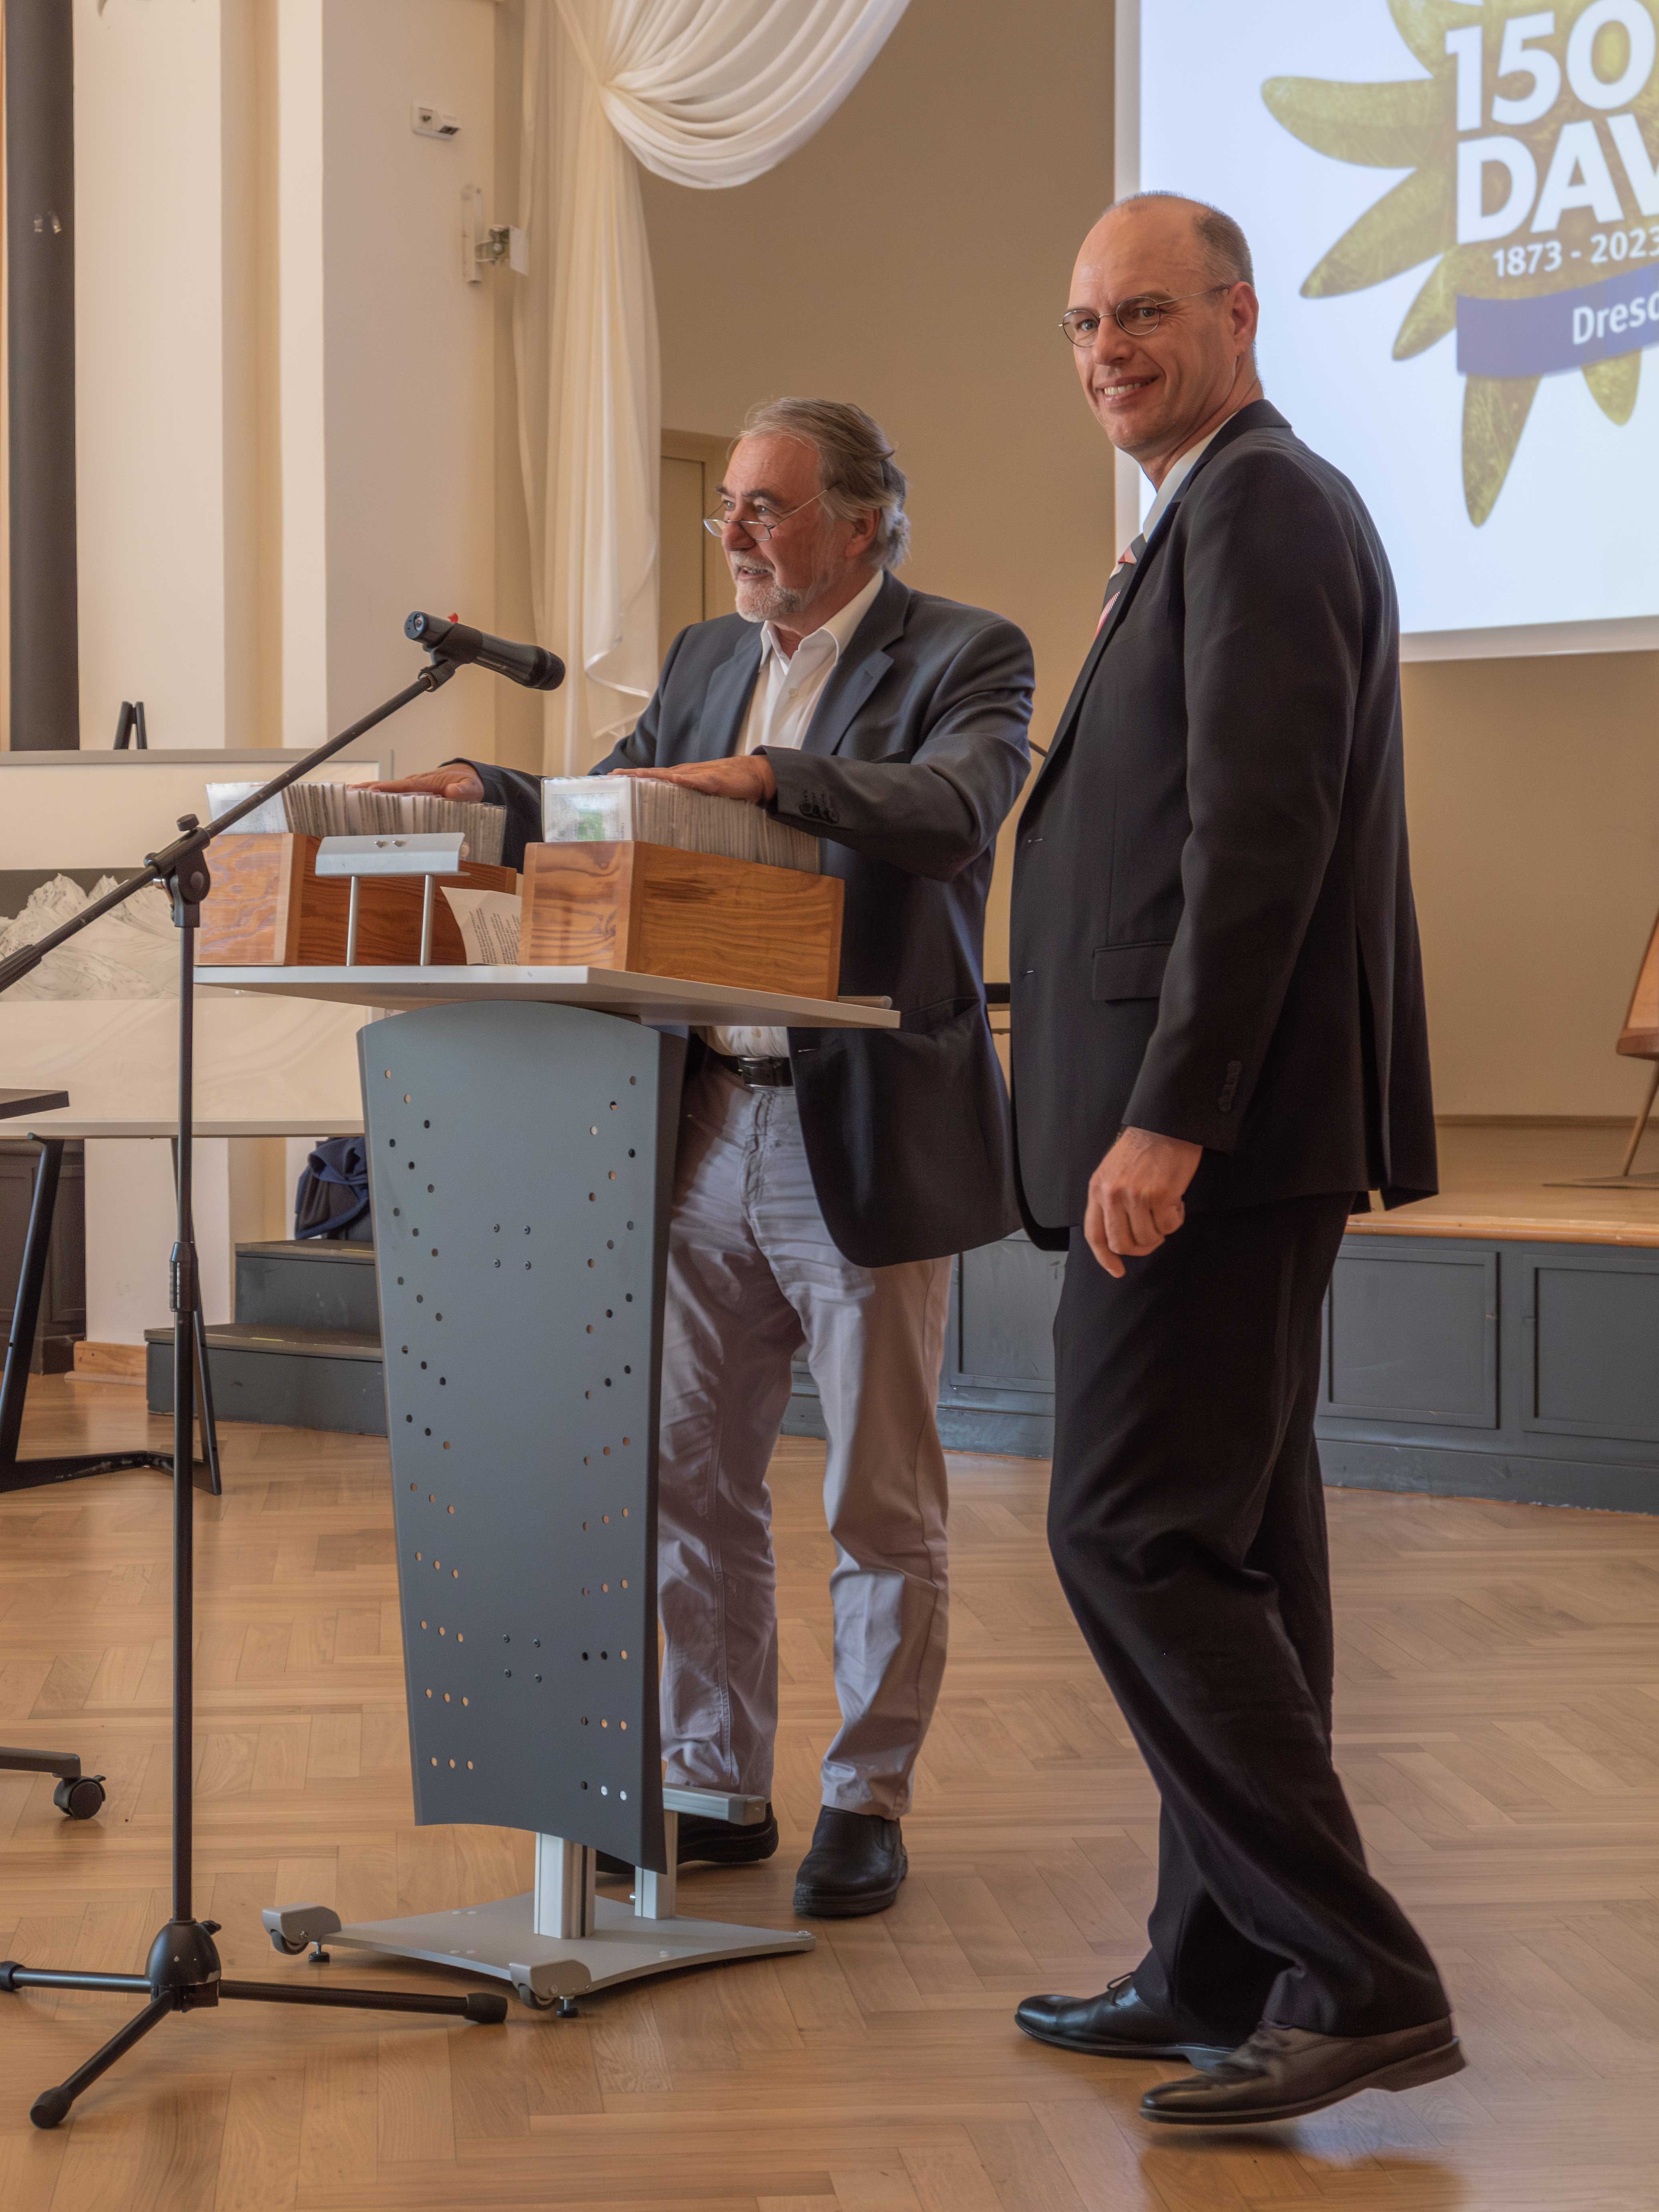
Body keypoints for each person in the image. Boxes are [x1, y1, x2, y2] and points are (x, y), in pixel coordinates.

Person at [370, 398, 1032, 1918]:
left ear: (862, 524)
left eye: (767, 508)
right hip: (700, 1115)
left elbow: (955, 808)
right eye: (728, 502)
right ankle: (712, 1775)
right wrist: (499, 793)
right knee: (688, 1475)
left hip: (854, 1118)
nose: (733, 532)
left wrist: (774, 782)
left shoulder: (965, 653)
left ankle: (865, 1796)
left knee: (878, 1497)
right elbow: (617, 794)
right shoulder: (704, 660)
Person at [1006, 194, 1462, 2125]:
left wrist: (1167, 1116)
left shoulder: (1264, 506)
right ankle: (1221, 1959)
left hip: (1207, 1135)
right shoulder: (1212, 506)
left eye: (1145, 314)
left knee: (1124, 1530)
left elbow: (1251, 845)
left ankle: (1357, 1971)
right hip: (1221, 1131)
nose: (1108, 346)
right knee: (1243, 1550)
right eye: (1085, 319)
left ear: (1239, 317)